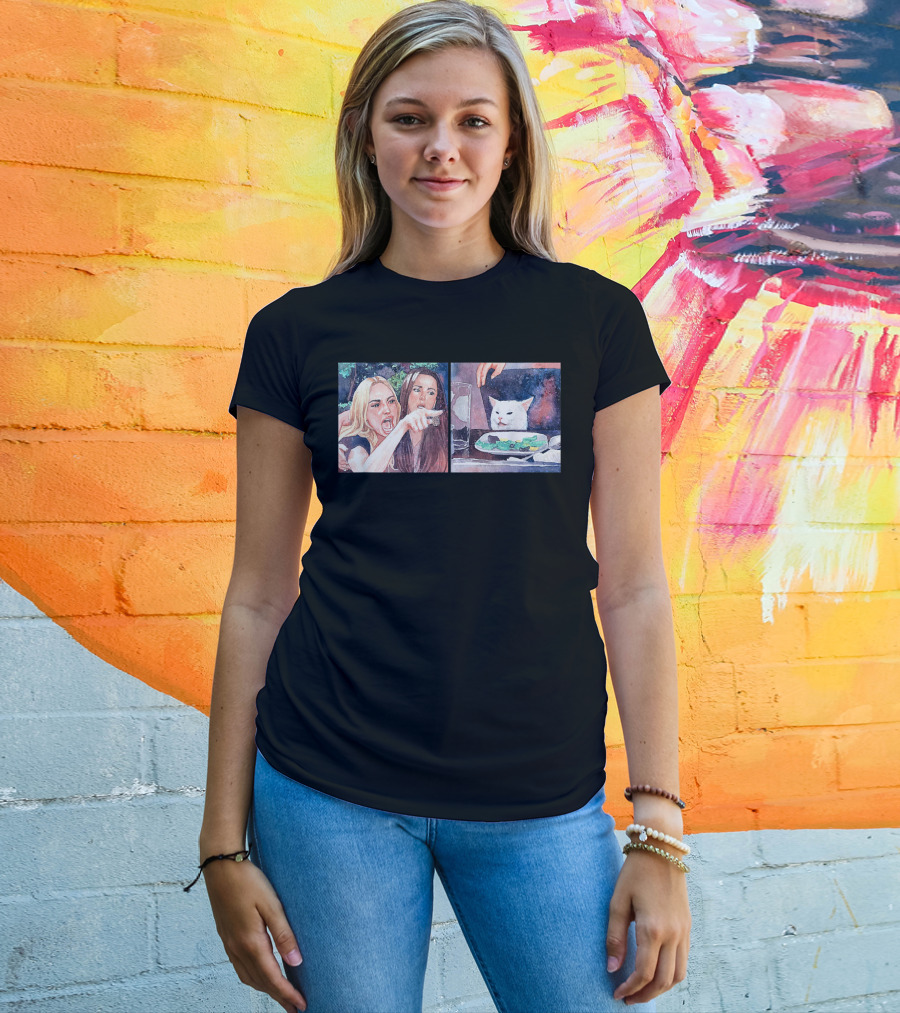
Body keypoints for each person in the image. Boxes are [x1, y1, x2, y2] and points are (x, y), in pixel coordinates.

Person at [194, 2, 691, 1011]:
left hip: (541, 794)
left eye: (474, 120)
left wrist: (659, 825)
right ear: (366, 138)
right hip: (327, 785)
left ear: (511, 146)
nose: (441, 149)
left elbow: (634, 584)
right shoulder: (295, 332)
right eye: (409, 118)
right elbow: (256, 593)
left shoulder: (594, 319)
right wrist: (220, 844)